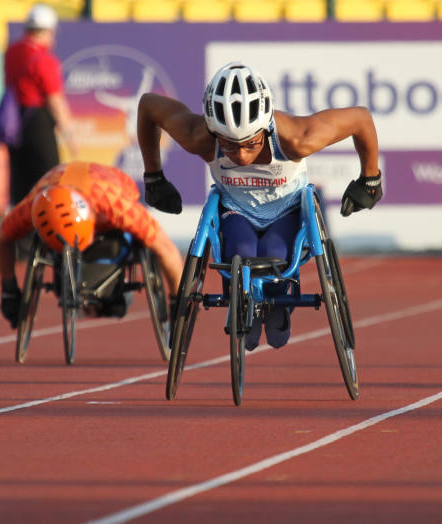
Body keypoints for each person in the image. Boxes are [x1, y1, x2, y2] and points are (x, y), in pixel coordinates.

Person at [136, 61, 382, 350]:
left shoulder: (296, 138)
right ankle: (240, 304)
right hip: (236, 209)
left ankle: (280, 301)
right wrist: (154, 176)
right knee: (240, 253)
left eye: (250, 144)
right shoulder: (198, 136)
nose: (240, 154)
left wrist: (370, 179)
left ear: (265, 129)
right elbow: (148, 105)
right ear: (214, 133)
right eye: (228, 145)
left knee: (275, 255)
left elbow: (361, 119)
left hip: (286, 209)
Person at [0, 162, 184, 328]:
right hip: (55, 184)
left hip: (109, 186)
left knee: (127, 243)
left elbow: (166, 249)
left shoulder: (116, 204)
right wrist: (9, 289)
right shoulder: (34, 206)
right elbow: (2, 238)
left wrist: (178, 302)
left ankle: (113, 289)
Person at [4, 3, 78, 205]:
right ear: (47, 31)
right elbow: (55, 100)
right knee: (49, 181)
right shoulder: (44, 59)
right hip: (38, 124)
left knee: (21, 186)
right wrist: (70, 135)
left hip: (16, 125)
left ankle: (21, 231)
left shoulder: (12, 52)